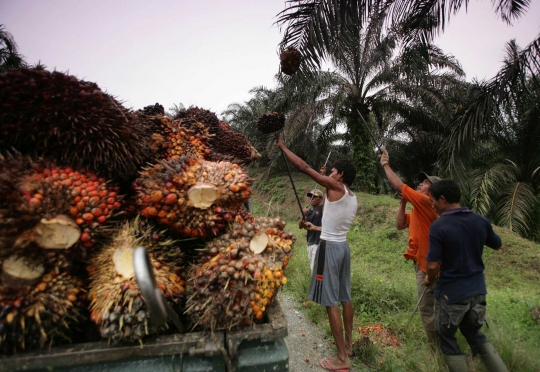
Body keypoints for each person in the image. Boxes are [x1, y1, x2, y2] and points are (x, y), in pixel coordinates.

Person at [276, 135, 357, 372]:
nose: (329, 174)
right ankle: (349, 345)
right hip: (343, 247)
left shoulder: (334, 187)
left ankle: (342, 358)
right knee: (345, 297)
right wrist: (315, 225)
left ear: (339, 175)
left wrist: (283, 147)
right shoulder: (351, 197)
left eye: (332, 171)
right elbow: (332, 210)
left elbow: (304, 167)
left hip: (328, 249)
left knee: (330, 302)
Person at [425, 179, 508, 372]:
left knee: (445, 336)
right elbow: (497, 244)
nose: (432, 205)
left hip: (452, 294)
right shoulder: (480, 220)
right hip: (478, 292)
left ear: (442, 199)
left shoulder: (439, 226)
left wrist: (431, 277)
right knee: (474, 333)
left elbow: (431, 265)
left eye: (433, 200)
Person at [379, 147, 440, 348]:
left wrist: (385, 164)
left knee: (426, 308)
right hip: (421, 263)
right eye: (422, 181)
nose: (421, 183)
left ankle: (436, 349)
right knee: (434, 306)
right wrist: (403, 203)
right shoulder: (417, 209)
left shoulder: (426, 202)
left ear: (433, 191)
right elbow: (399, 225)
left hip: (429, 266)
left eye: (425, 182)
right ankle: (441, 343)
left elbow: (398, 185)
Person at [299, 188, 324, 273]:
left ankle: (317, 285)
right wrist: (303, 216)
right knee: (312, 267)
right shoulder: (309, 211)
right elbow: (300, 226)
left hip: (318, 242)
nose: (311, 198)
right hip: (310, 242)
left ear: (321, 198)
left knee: (315, 269)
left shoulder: (322, 209)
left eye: (314, 196)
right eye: (310, 197)